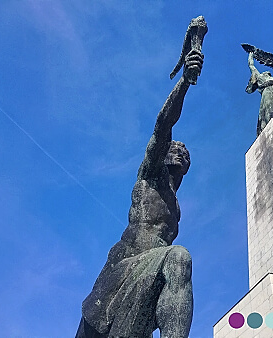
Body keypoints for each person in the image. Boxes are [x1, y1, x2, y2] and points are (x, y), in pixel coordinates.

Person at [76, 49, 204, 338]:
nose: (182, 152)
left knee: (177, 261)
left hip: (151, 274)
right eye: (178, 148)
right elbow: (163, 125)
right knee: (179, 256)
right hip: (126, 264)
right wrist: (185, 81)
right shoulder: (149, 176)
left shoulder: (176, 206)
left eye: (187, 153)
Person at [246, 51, 273, 136]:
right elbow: (251, 66)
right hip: (268, 92)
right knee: (269, 110)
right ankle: (268, 128)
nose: (267, 71)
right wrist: (251, 56)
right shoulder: (261, 78)